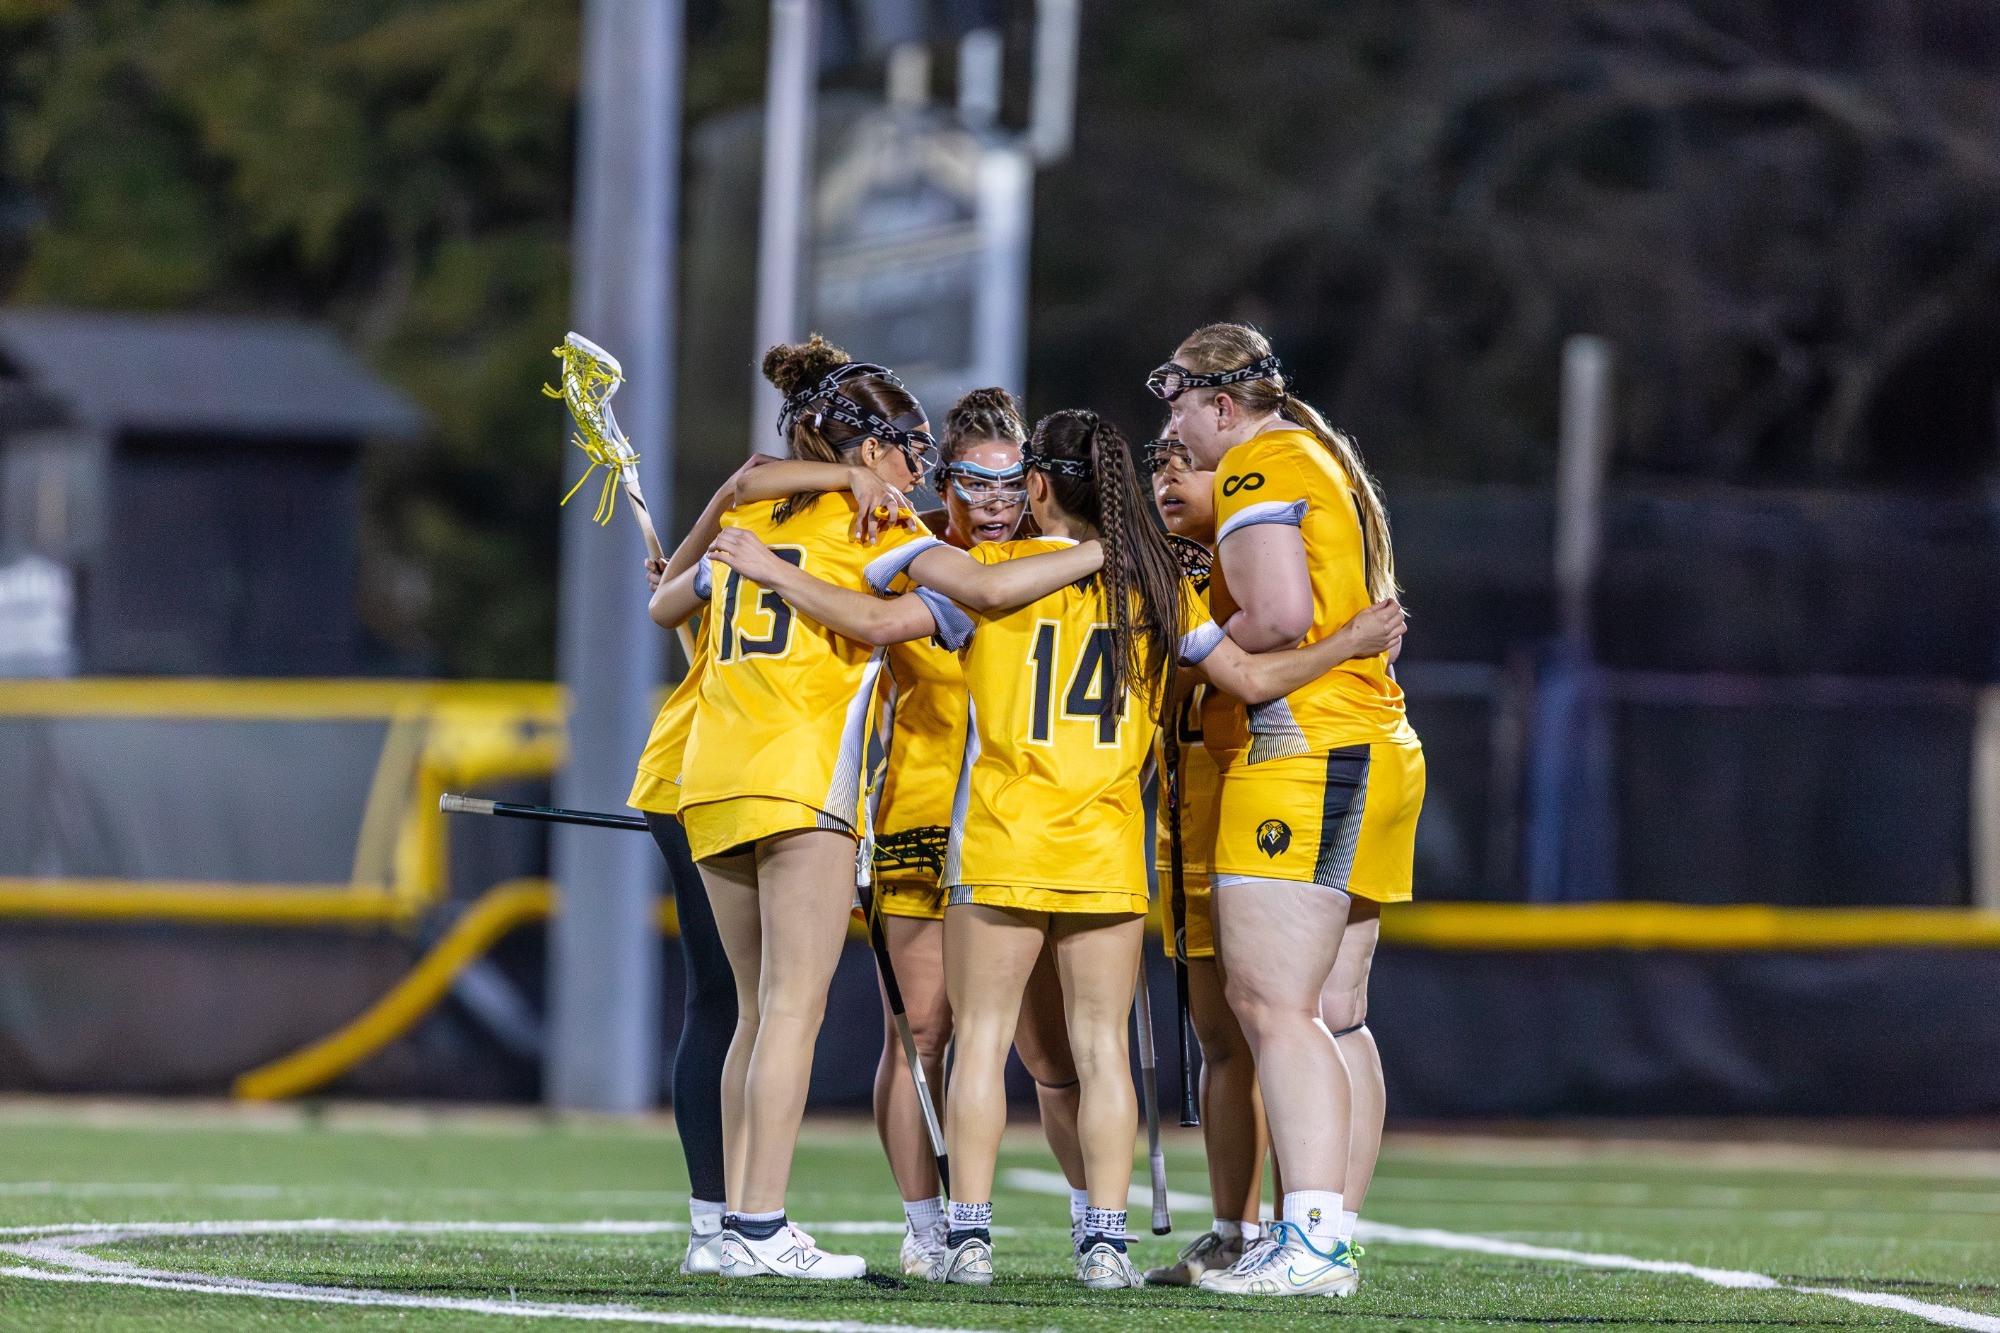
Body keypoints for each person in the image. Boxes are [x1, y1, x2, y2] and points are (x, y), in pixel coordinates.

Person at [708, 409, 1403, 1290]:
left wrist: (772, 563)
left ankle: (967, 1237)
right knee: (1100, 1049)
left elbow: (881, 604)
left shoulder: (990, 571)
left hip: (998, 841)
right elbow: (1256, 677)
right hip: (1106, 852)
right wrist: (1348, 643)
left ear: (1036, 486)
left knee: (982, 1042)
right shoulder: (1158, 587)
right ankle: (1105, 1245)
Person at [662, 337, 1105, 1281]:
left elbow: (668, 600)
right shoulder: (887, 530)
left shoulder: (761, 518)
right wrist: (1111, 545)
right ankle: (759, 1228)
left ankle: (729, 1230)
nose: (916, 465)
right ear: (869, 449)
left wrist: (737, 522)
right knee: (795, 1011)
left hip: (712, 777)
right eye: (907, 444)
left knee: (754, 1010)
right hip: (807, 778)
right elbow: (958, 597)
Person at [1151, 324, 1424, 1298]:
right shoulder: (1312, 453)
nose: (1172, 431)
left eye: (1178, 406)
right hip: (1368, 742)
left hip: (1301, 748)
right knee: (1337, 1015)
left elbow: (1271, 616)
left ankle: (1308, 1239)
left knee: (1273, 1005)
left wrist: (1193, 638)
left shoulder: (1260, 463)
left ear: (1221, 404)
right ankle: (1327, 1231)